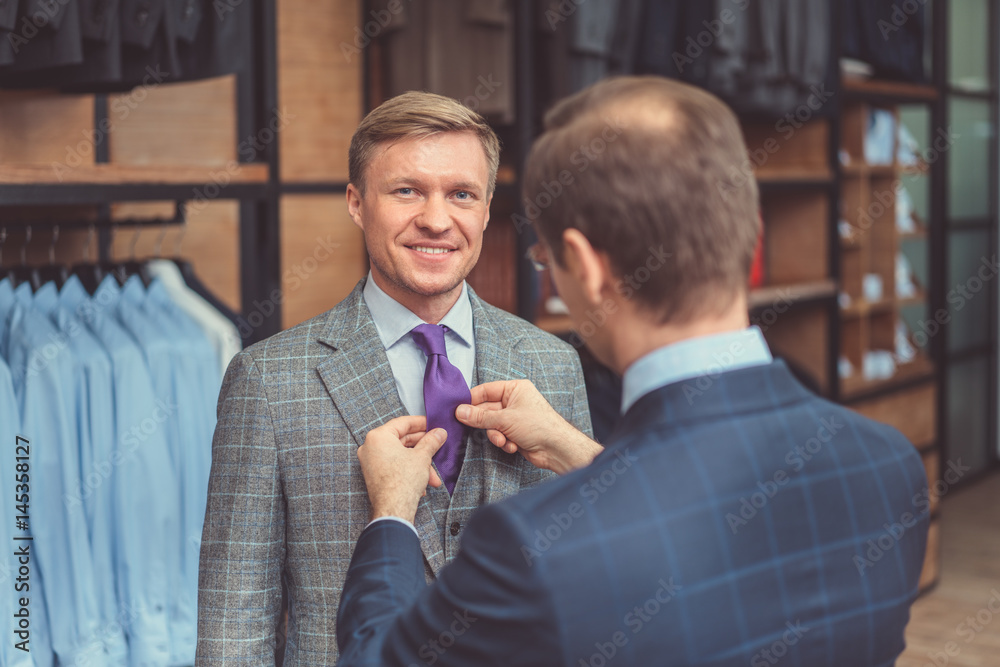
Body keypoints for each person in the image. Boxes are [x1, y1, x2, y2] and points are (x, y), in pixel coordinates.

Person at [336, 76, 930, 666]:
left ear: (588, 270)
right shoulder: (887, 463)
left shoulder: (533, 547)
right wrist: (583, 455)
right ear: (748, 238)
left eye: (548, 261)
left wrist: (390, 517)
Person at [195, 91, 593, 665]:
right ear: (357, 203)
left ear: (485, 210)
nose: (436, 219)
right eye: (406, 190)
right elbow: (235, 622)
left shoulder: (552, 363)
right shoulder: (266, 380)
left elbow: (596, 569)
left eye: (461, 194)